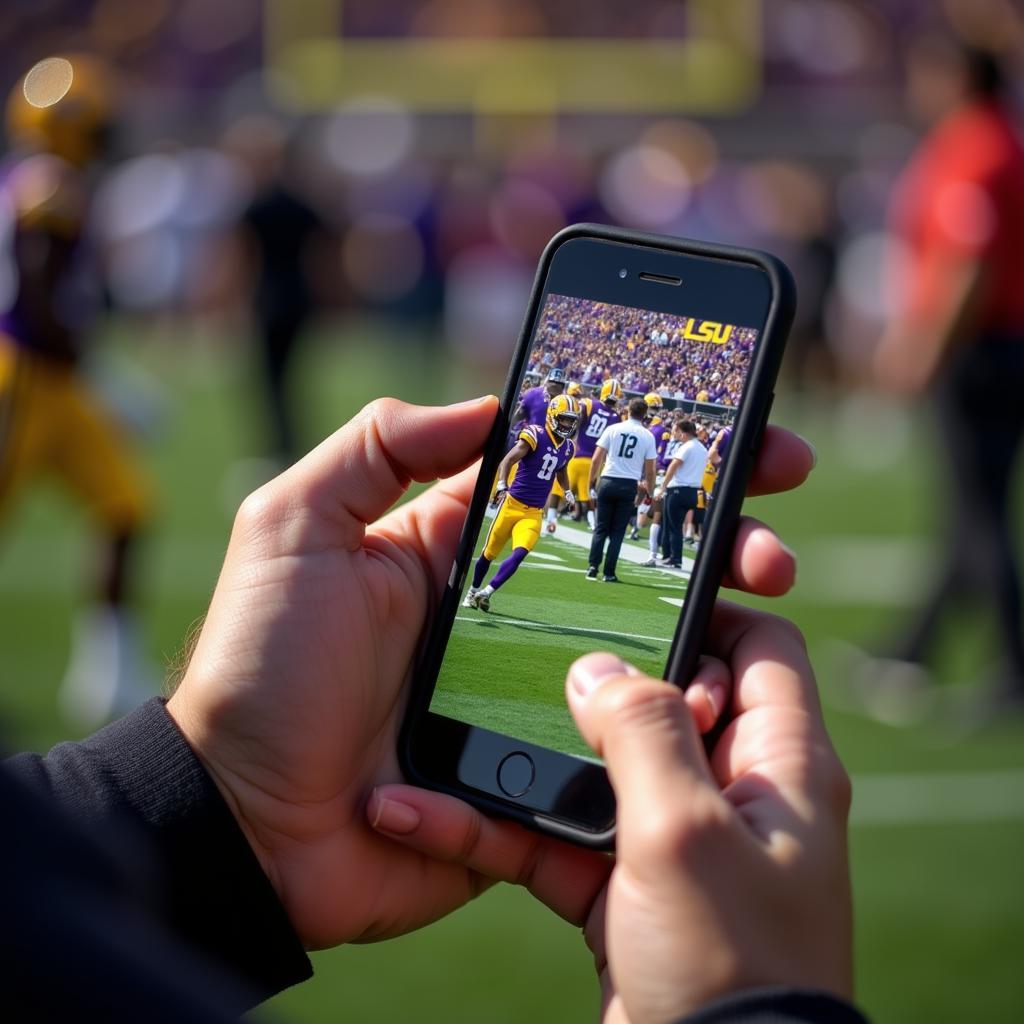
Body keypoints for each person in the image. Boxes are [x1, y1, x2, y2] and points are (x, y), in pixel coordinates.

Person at [2, 395, 860, 1021]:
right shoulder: (532, 437)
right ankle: (486, 589)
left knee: (511, 561)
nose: (557, 430)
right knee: (499, 557)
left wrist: (225, 804)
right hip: (512, 509)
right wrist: (759, 1009)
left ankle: (491, 590)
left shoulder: (556, 444)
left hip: (522, 518)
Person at [870, 37, 1024, 713]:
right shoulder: (991, 142)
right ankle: (915, 648)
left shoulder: (976, 147)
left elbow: (971, 261)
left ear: (958, 77)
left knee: (979, 512)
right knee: (970, 510)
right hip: (994, 344)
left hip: (983, 348)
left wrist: (925, 344)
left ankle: (1014, 671)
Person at [0, 55, 154, 726]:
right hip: (23, 378)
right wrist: (101, 373)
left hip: (54, 381)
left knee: (124, 505)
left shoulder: (48, 180)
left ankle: (109, 674)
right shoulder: (47, 187)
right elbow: (36, 292)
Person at [464, 394, 579, 612]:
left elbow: (561, 469)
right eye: (565, 419)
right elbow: (508, 460)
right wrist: (501, 485)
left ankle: (486, 592)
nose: (568, 424)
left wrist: (567, 491)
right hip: (512, 504)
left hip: (534, 512)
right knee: (489, 553)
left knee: (520, 552)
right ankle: (472, 591)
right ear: (554, 415)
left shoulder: (568, 447)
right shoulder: (535, 434)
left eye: (572, 420)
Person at [587, 398, 657, 583]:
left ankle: (593, 567)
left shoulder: (613, 429)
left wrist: (592, 482)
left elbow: (596, 459)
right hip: (628, 485)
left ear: (628, 410)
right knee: (618, 531)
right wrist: (650, 490)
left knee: (601, 527)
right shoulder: (647, 435)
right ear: (644, 414)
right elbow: (650, 470)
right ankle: (609, 572)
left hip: (608, 479)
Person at [657, 420, 709, 569]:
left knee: (672, 525)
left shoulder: (686, 447)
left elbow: (673, 465)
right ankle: (669, 555)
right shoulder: (702, 448)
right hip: (694, 490)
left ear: (684, 433)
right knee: (675, 524)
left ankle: (674, 557)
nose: (676, 435)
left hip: (678, 489)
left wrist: (662, 486)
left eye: (678, 432)